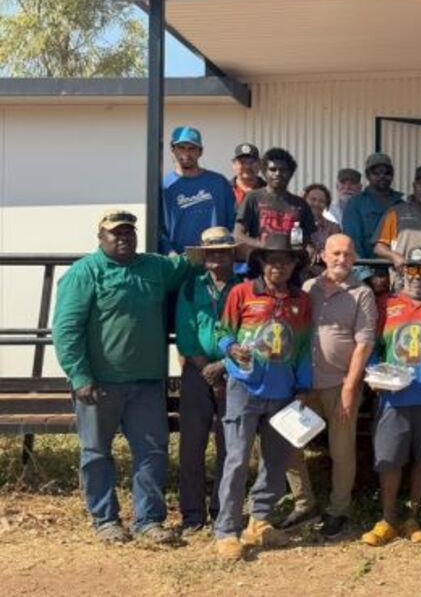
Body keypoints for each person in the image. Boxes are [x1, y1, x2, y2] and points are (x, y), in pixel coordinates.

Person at [52, 210, 197, 545]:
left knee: (152, 451)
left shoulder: (155, 267)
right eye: (115, 233)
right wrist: (79, 374)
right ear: (100, 237)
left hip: (147, 382)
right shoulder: (84, 273)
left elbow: (193, 263)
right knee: (96, 452)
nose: (123, 238)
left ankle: (148, 521)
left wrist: (238, 246)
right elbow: (66, 329)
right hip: (99, 383)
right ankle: (105, 520)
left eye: (128, 232)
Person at [213, 233, 313, 561]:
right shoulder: (242, 293)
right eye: (271, 261)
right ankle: (226, 529)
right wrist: (230, 347)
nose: (278, 267)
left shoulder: (301, 301)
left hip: (283, 393)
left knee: (276, 461)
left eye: (285, 261)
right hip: (244, 388)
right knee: (237, 459)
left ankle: (259, 521)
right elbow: (221, 332)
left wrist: (302, 388)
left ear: (294, 264)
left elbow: (302, 350)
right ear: (261, 264)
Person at [283, 233, 376, 537]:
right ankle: (303, 502)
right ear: (323, 255)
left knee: (342, 451)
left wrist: (351, 388)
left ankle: (339, 509)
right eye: (335, 253)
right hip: (306, 384)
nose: (341, 259)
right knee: (287, 441)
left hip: (340, 384)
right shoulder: (309, 289)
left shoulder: (362, 293)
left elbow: (363, 344)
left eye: (348, 255)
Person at [361, 248, 421, 546]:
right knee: (389, 459)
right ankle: (387, 519)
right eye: (411, 270)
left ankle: (412, 516)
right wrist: (374, 374)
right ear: (400, 273)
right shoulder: (385, 305)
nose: (416, 277)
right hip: (392, 399)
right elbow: (370, 347)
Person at [175, 227, 242, 535]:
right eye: (211, 252)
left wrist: (225, 367)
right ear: (203, 256)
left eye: (223, 251)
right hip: (196, 372)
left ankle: (222, 509)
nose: (217, 257)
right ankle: (192, 513)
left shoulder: (245, 287)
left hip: (236, 372)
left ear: (232, 255)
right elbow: (186, 335)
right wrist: (209, 371)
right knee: (191, 443)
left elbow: (248, 333)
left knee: (229, 444)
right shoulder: (190, 287)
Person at [160, 126, 235, 254]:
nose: (186, 153)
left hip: (215, 257)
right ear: (173, 150)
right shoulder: (165, 186)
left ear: (200, 151)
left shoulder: (219, 183)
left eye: (192, 148)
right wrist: (171, 254)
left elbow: (233, 221)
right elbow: (158, 229)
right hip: (178, 261)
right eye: (181, 148)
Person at [234, 147, 316, 249]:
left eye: (283, 170)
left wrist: (308, 248)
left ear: (290, 173)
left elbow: (307, 239)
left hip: (290, 262)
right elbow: (238, 235)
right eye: (272, 169)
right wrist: (263, 245)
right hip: (261, 260)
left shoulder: (300, 204)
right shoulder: (253, 198)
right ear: (264, 172)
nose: (277, 174)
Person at [342, 152, 404, 260]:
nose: (382, 176)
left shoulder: (402, 205)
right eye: (376, 172)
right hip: (367, 269)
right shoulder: (355, 203)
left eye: (387, 172)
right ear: (367, 175)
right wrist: (366, 275)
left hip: (397, 270)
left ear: (392, 175)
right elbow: (353, 243)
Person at [302, 183, 342, 276]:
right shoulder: (295, 223)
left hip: (325, 274)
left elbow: (337, 252)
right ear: (304, 201)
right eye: (312, 199)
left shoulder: (334, 228)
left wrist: (323, 253)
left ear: (326, 205)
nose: (316, 204)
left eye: (321, 201)